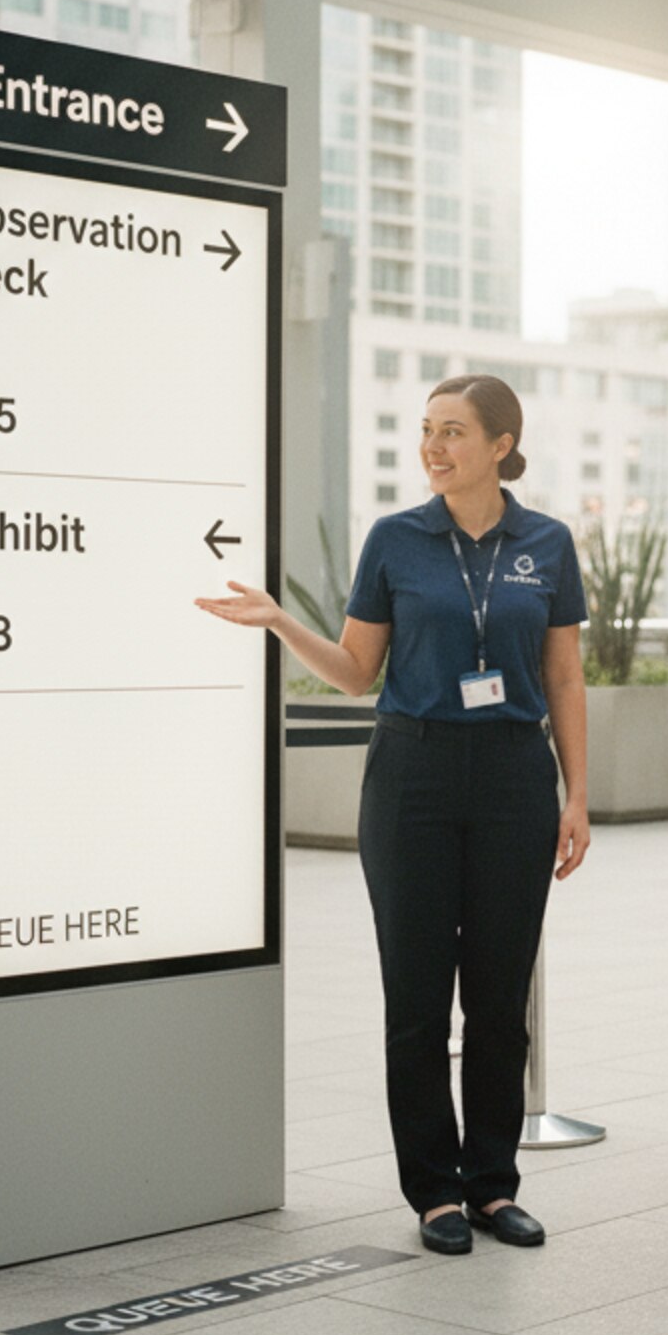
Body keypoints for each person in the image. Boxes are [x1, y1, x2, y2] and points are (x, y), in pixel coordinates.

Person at [197, 374, 589, 1258]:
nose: (434, 448)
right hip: (411, 771)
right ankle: (435, 1193)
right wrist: (278, 622)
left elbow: (564, 678)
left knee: (499, 996)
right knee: (417, 999)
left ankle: (493, 1185)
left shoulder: (548, 543)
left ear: (501, 444)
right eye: (426, 432)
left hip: (515, 774)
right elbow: (353, 672)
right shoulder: (396, 539)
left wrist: (578, 794)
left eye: (453, 432)